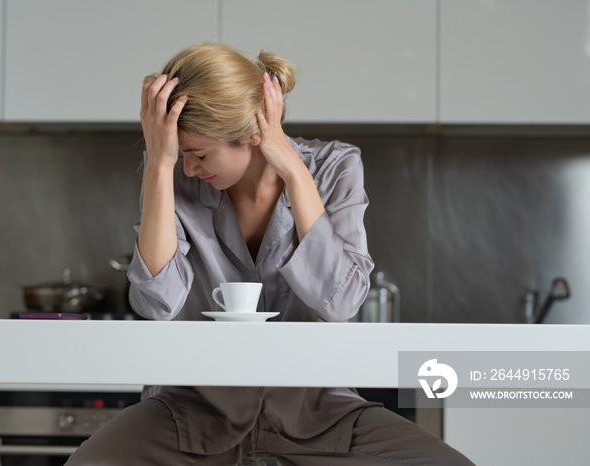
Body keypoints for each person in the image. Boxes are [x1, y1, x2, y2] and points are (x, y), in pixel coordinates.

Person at [66, 43, 473, 465]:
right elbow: (157, 305)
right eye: (181, 155)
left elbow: (343, 301)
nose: (189, 168)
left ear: (252, 135)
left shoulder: (334, 167)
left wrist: (293, 169)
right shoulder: (174, 177)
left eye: (200, 154)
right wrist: (158, 165)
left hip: (317, 413)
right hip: (191, 411)